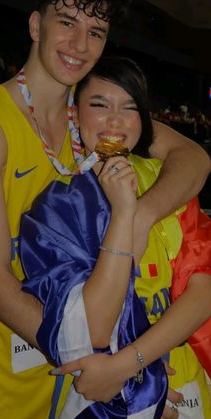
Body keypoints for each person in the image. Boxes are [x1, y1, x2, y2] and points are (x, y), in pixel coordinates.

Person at [0, 0, 210, 417]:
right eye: (67, 23)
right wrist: (100, 362)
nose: (80, 45)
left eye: (96, 32)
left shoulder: (90, 122)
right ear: (35, 24)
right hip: (6, 378)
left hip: (77, 384)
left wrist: (140, 215)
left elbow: (194, 158)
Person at [20, 56, 211, 419]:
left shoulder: (169, 180)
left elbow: (203, 293)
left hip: (183, 382)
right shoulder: (59, 205)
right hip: (107, 399)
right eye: (99, 105)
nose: (115, 120)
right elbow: (90, 326)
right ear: (75, 115)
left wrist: (131, 365)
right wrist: (124, 215)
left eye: (130, 107)